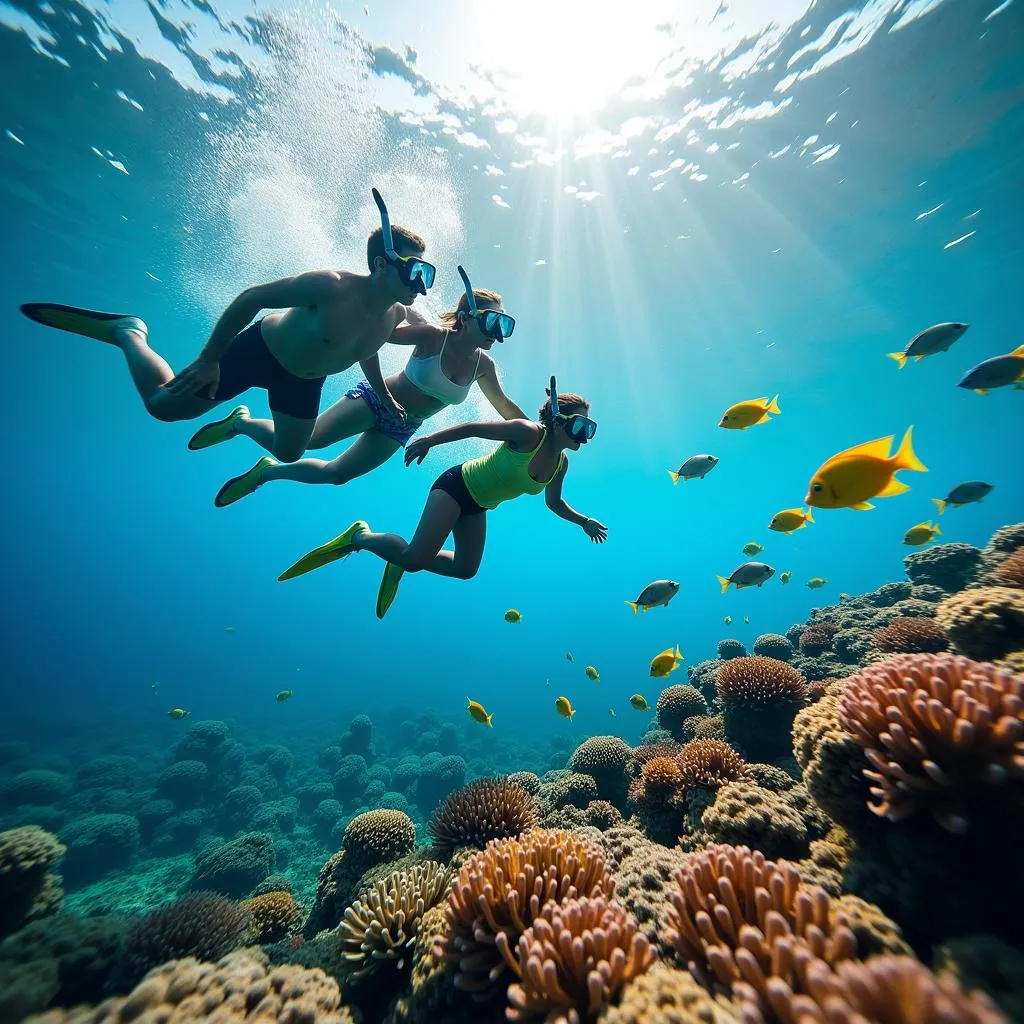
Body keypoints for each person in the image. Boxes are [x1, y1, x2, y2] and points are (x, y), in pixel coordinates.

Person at [19, 189, 434, 462]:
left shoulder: (393, 315)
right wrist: (208, 358)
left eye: (427, 274)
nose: (422, 284)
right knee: (164, 408)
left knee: (289, 453)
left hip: (304, 379)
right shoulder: (330, 286)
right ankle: (129, 332)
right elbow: (252, 298)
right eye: (416, 271)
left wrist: (383, 395)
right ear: (381, 264)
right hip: (257, 353)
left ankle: (239, 422)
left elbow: (364, 349)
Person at [278, 378, 608, 618]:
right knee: (414, 559)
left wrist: (583, 521)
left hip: (477, 506)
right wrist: (429, 441)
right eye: (581, 426)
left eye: (590, 429)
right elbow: (473, 428)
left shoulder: (561, 465)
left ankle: (403, 557)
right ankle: (359, 537)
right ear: (557, 420)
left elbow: (554, 503)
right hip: (455, 486)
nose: (586, 436)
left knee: (466, 569)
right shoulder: (527, 433)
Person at [210, 266, 527, 507]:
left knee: (336, 475)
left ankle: (265, 473)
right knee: (312, 441)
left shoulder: (484, 366)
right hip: (376, 398)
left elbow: (504, 406)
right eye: (492, 321)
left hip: (403, 425)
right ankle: (241, 423)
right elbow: (373, 333)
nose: (497, 332)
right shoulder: (433, 336)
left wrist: (538, 429)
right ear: (466, 317)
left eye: (504, 325)